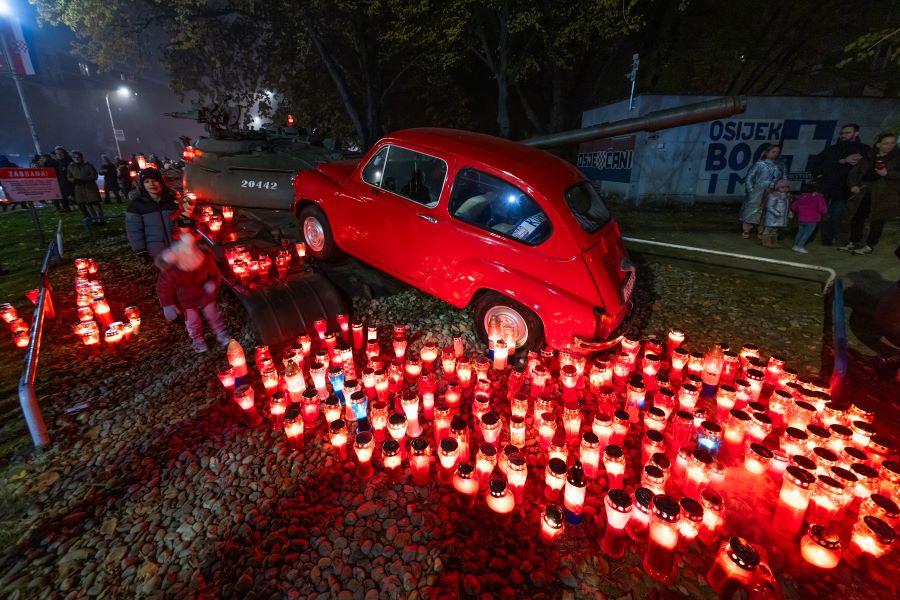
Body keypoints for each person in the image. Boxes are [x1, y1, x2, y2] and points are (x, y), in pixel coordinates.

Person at [155, 219, 230, 353]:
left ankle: (221, 332)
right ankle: (197, 339)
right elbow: (163, 287)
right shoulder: (173, 270)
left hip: (203, 293)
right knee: (192, 320)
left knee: (212, 313)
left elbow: (215, 274)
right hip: (185, 298)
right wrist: (168, 305)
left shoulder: (205, 260)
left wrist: (212, 283)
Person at [811, 123, 869, 245]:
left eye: (847, 132)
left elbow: (867, 168)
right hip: (826, 186)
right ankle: (809, 236)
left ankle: (828, 239)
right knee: (816, 212)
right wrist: (841, 161)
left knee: (836, 215)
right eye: (842, 133)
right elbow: (817, 163)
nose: (844, 135)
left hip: (844, 189)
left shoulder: (864, 149)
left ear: (856, 133)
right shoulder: (832, 149)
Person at [843, 133, 899, 255]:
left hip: (883, 195)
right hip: (864, 192)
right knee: (857, 217)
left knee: (877, 220)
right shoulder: (869, 156)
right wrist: (853, 185)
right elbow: (854, 172)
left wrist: (887, 174)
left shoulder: (897, 158)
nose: (890, 145)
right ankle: (854, 242)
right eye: (886, 143)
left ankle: (869, 246)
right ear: (878, 144)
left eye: (892, 143)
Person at [125, 167, 180, 262]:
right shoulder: (137, 205)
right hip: (156, 250)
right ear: (143, 185)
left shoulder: (173, 201)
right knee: (165, 275)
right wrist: (140, 249)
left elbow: (183, 220)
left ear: (161, 182)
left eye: (155, 180)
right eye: (147, 181)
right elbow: (134, 230)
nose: (151, 184)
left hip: (178, 247)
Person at [740, 144, 785, 238]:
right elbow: (749, 177)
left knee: (767, 211)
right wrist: (751, 190)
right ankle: (746, 230)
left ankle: (761, 230)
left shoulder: (780, 166)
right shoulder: (759, 164)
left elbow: (784, 179)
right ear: (767, 152)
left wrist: (781, 190)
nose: (775, 154)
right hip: (758, 191)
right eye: (773, 152)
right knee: (752, 210)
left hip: (773, 192)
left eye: (777, 152)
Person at [790, 181, 828, 253]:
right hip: (812, 219)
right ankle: (800, 246)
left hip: (801, 218)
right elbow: (822, 208)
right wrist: (824, 212)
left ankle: (795, 245)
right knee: (806, 234)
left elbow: (794, 207)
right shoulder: (818, 197)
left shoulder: (801, 197)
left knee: (800, 232)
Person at [67, 151, 104, 222]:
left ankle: (101, 219)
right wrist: (74, 180)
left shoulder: (88, 165)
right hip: (80, 188)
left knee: (95, 204)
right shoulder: (71, 167)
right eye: (75, 157)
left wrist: (85, 179)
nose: (77, 159)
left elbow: (94, 175)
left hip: (90, 187)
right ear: (73, 158)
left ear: (81, 157)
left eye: (78, 157)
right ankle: (94, 219)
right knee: (88, 205)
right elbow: (69, 177)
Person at [760, 179, 791, 248]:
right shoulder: (773, 195)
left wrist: (789, 212)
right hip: (773, 217)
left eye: (787, 187)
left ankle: (773, 242)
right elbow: (769, 206)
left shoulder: (787, 196)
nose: (785, 189)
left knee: (775, 230)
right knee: (768, 229)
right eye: (782, 187)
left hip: (781, 217)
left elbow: (787, 206)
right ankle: (766, 242)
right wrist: (776, 213)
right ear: (777, 187)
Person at [52, 147, 74, 212]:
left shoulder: (69, 162)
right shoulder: (57, 163)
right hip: (61, 183)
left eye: (60, 153)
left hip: (70, 183)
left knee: (71, 196)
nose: (59, 155)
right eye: (57, 153)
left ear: (64, 153)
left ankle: (74, 207)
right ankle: (66, 208)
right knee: (63, 196)